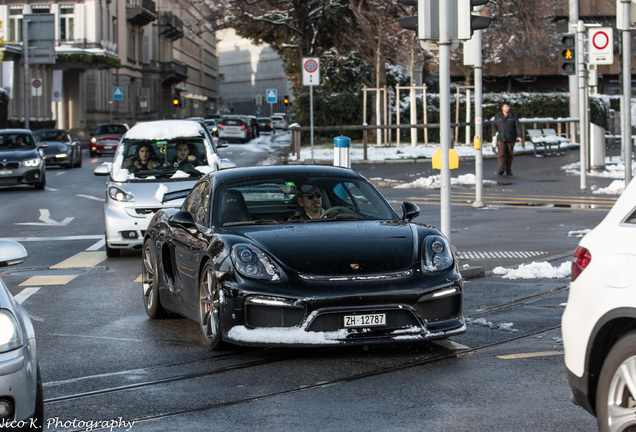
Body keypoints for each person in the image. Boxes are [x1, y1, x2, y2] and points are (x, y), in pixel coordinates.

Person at [492, 101, 523, 176]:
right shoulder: (498, 116)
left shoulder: (513, 116)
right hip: (501, 138)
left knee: (509, 155)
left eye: (508, 107)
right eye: (506, 107)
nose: (507, 108)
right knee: (501, 154)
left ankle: (508, 169)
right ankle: (501, 169)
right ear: (502, 107)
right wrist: (495, 133)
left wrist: (519, 135)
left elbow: (518, 126)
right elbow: (493, 125)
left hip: (511, 137)